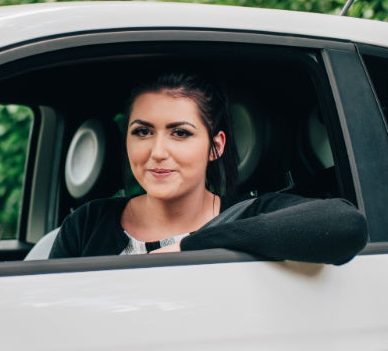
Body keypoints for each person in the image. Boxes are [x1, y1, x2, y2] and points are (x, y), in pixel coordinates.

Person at [48, 72, 367, 265]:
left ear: (216, 146)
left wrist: (189, 247)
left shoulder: (249, 216)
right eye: (143, 131)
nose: (157, 152)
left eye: (180, 133)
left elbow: (346, 225)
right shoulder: (86, 225)